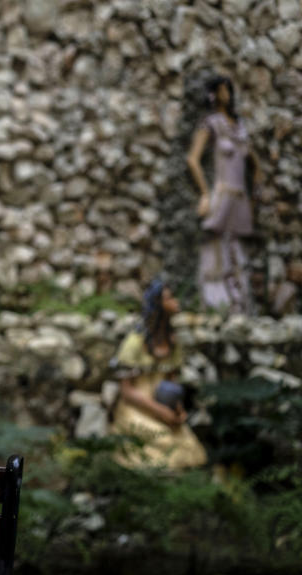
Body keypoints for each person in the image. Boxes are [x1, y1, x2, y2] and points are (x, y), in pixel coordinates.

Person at [110, 279, 208, 470]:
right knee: (164, 443)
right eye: (169, 299)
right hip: (138, 405)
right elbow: (127, 391)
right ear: (157, 304)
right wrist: (159, 411)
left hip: (163, 403)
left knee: (188, 445)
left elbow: (172, 380)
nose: (176, 302)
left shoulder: (173, 342)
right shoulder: (135, 342)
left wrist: (177, 408)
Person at [186, 74, 261, 315]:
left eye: (228, 90)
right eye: (221, 90)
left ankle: (240, 307)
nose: (225, 95)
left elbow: (255, 165)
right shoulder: (212, 123)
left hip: (239, 196)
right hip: (222, 193)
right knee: (215, 250)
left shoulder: (239, 128)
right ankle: (215, 305)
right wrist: (205, 193)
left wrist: (255, 194)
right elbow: (192, 159)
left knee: (237, 253)